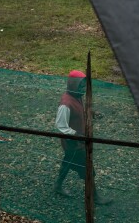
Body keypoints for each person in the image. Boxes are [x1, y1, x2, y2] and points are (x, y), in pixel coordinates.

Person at [53, 70, 111, 205]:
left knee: (67, 162)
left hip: (76, 142)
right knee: (88, 168)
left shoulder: (77, 96)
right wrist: (76, 136)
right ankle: (95, 197)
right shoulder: (66, 103)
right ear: (73, 85)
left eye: (84, 86)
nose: (83, 89)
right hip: (73, 142)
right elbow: (60, 125)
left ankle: (57, 186)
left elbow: (79, 111)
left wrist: (92, 113)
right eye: (81, 86)